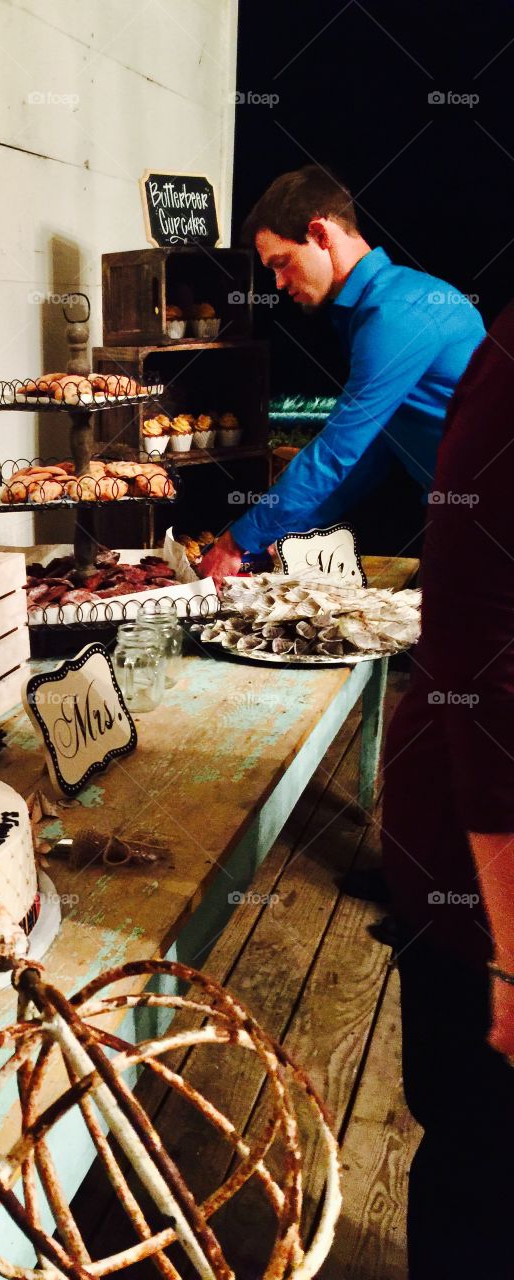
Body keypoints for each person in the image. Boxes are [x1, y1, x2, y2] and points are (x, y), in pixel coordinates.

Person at [381, 299, 514, 1277]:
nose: (281, 287)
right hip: (483, 847)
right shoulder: (406, 321)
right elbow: (482, 639)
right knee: (483, 1142)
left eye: (273, 268)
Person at [197, 166, 486, 585]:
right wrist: (280, 531)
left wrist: (236, 543)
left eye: (282, 263)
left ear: (320, 234)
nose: (278, 283)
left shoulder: (395, 312)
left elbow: (338, 452)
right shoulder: (379, 306)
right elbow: (369, 456)